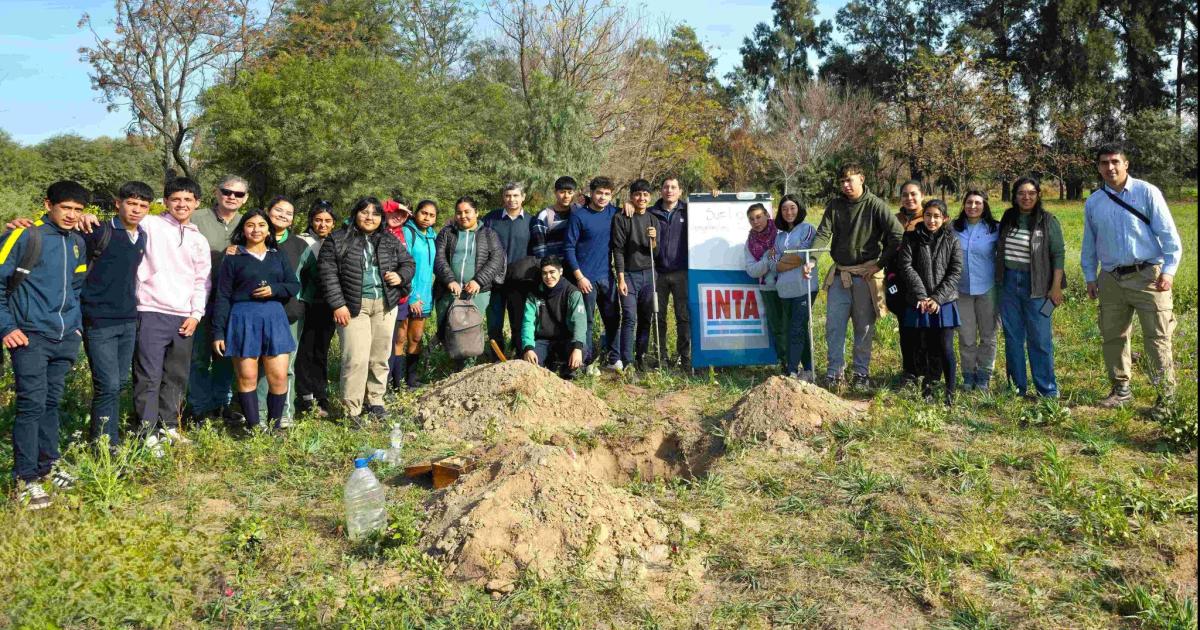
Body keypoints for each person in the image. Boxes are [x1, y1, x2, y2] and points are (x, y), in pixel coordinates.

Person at [0, 181, 90, 509]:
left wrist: (75, 328)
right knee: (32, 405)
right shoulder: (25, 236)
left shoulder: (77, 242)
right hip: (30, 336)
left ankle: (48, 465)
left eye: (78, 210)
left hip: (64, 337)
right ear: (48, 204)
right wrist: (7, 327)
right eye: (65, 208)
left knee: (51, 404)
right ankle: (26, 479)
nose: (71, 215)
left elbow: (76, 288)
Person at [1082, 142, 1182, 410]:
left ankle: (1166, 398)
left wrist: (1169, 272)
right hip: (1111, 278)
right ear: (1098, 167)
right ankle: (1121, 390)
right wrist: (1090, 276)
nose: (1110, 167)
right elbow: (1089, 244)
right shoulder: (1094, 202)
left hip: (1148, 276)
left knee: (1157, 337)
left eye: (1115, 161)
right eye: (1104, 163)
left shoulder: (1147, 192)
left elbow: (1169, 236)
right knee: (1113, 336)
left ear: (1126, 164)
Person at [805, 164, 904, 388]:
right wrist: (812, 259)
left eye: (849, 180)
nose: (845, 185)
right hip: (840, 275)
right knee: (834, 327)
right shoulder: (835, 205)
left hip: (865, 277)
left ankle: (861, 374)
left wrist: (879, 264)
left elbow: (897, 235)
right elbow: (823, 233)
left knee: (864, 327)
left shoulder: (876, 205)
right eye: (842, 182)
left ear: (861, 178)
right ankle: (834, 373)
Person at [133, 177, 211, 455]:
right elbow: (121, 223)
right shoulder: (149, 224)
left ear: (197, 203)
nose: (182, 204)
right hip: (150, 311)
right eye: (176, 199)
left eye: (188, 199)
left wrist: (196, 314)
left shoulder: (198, 239)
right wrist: (87, 219)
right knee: (149, 376)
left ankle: (169, 427)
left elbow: (202, 280)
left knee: (177, 375)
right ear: (165, 201)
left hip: (184, 317)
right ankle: (146, 432)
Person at [318, 197, 415, 420]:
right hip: (353, 306)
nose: (370, 217)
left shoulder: (388, 239)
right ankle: (352, 409)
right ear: (355, 214)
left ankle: (375, 401)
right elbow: (327, 273)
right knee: (355, 358)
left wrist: (400, 276)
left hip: (384, 305)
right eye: (364, 212)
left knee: (380, 356)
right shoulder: (338, 239)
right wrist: (338, 304)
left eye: (375, 214)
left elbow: (409, 263)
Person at [211, 209, 300, 431]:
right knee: (247, 376)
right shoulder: (233, 258)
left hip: (274, 318)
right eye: (250, 225)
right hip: (243, 319)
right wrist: (218, 332)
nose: (256, 229)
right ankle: (254, 428)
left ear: (268, 230)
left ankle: (275, 426)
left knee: (278, 376)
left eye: (261, 225)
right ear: (243, 229)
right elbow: (222, 296)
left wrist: (274, 289)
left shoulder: (277, 256)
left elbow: (293, 285)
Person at [80, 181, 150, 450]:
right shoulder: (98, 231)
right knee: (107, 385)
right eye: (131, 203)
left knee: (119, 383)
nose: (136, 210)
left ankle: (109, 439)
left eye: (143, 205)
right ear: (118, 203)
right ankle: (103, 445)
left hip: (128, 320)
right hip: (98, 320)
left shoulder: (141, 236)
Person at [188, 175, 249, 424]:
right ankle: (198, 406)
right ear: (217, 192)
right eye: (227, 191)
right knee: (198, 355)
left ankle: (221, 403)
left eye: (238, 194)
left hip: (233, 300)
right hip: (199, 297)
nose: (232, 197)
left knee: (225, 354)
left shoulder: (248, 222)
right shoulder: (196, 217)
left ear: (245, 198)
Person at [997, 177, 1065, 399]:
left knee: (1040, 339)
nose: (1026, 197)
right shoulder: (1008, 217)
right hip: (1009, 284)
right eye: (1021, 193)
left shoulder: (1047, 221)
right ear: (1015, 196)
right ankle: (1017, 388)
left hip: (1038, 286)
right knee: (1013, 338)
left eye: (1031, 193)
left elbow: (1058, 254)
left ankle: (1047, 390)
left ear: (1038, 195)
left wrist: (1056, 287)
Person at [897, 199, 963, 404]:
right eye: (928, 215)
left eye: (936, 216)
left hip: (944, 302)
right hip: (919, 301)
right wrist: (922, 295)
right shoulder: (910, 237)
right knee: (922, 345)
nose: (931, 220)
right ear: (922, 216)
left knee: (944, 347)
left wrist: (937, 298)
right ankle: (928, 387)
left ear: (945, 218)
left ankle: (950, 391)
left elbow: (955, 271)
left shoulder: (952, 240)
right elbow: (906, 266)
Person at [249, 197, 305, 427]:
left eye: (288, 213)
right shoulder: (253, 239)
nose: (283, 215)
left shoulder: (300, 245)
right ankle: (260, 414)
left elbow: (309, 278)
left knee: (285, 367)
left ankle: (284, 413)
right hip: (255, 313)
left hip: (288, 314)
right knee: (259, 365)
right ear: (267, 211)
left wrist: (300, 303)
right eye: (278, 210)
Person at [433, 196, 505, 364]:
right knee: (447, 329)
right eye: (459, 212)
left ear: (476, 213)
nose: (463, 216)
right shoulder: (447, 233)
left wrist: (478, 281)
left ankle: (468, 368)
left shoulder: (488, 234)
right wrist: (450, 280)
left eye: (467, 212)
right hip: (449, 291)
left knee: (469, 332)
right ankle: (451, 367)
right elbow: (439, 258)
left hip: (477, 293)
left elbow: (497, 259)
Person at [564, 176, 622, 369]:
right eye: (599, 193)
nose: (602, 197)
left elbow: (633, 210)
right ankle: (586, 362)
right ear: (591, 193)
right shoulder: (579, 216)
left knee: (613, 318)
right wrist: (579, 277)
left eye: (607, 194)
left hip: (607, 277)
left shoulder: (614, 213)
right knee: (586, 322)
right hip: (585, 279)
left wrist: (629, 204)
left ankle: (614, 358)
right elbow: (569, 248)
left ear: (611, 195)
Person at [952, 190, 1001, 391]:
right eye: (969, 202)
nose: (973, 206)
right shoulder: (953, 228)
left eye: (978, 203)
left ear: (984, 205)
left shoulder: (995, 228)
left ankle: (984, 375)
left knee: (988, 335)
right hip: (961, 289)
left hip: (988, 289)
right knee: (966, 336)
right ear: (963, 204)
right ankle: (968, 374)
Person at [294, 200, 338, 417]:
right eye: (318, 220)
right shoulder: (301, 241)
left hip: (329, 304)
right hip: (306, 302)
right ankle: (304, 395)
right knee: (305, 350)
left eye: (328, 221)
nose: (323, 225)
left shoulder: (336, 241)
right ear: (311, 220)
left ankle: (321, 393)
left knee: (321, 350)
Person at [772, 195, 820, 381]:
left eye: (792, 207)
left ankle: (791, 371)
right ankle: (808, 369)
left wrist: (781, 261)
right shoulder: (779, 236)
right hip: (785, 290)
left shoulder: (807, 229)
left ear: (799, 208)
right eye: (784, 209)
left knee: (797, 327)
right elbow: (771, 261)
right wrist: (780, 262)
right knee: (798, 328)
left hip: (804, 287)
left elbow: (801, 256)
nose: (788, 212)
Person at [611, 179, 658, 370]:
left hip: (649, 274)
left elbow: (655, 251)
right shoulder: (621, 217)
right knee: (630, 317)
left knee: (646, 317)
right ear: (631, 197)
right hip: (629, 275)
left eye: (645, 195)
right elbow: (618, 250)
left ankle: (641, 356)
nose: (642, 198)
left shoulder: (653, 219)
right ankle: (627, 361)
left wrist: (653, 239)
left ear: (650, 197)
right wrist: (621, 278)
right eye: (638, 194)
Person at [482, 183, 532, 359]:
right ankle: (496, 359)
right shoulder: (490, 219)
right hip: (494, 281)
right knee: (494, 324)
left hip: (520, 282)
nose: (512, 199)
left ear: (523, 197)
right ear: (503, 197)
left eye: (516, 195)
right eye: (508, 195)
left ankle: (519, 359)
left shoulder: (531, 221)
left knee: (518, 323)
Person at [521, 255, 588, 378]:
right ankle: (550, 365)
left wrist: (577, 348)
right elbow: (528, 322)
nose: (548, 277)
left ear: (560, 271)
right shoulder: (534, 294)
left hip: (566, 339)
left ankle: (568, 371)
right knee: (530, 365)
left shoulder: (572, 292)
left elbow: (580, 322)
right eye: (544, 273)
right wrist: (528, 348)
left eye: (552, 272)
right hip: (543, 340)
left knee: (581, 350)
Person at [649, 176, 690, 367]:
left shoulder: (689, 211)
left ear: (680, 191)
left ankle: (684, 355)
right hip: (657, 272)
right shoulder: (651, 212)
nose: (669, 190)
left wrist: (715, 196)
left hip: (682, 272)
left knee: (683, 316)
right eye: (666, 187)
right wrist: (628, 204)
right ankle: (661, 356)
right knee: (658, 316)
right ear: (661, 190)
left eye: (674, 187)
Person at [887, 181, 924, 386]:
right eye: (905, 195)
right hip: (899, 282)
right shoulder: (895, 220)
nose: (909, 198)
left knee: (925, 330)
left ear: (922, 195)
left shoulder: (930, 216)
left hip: (925, 282)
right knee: (906, 328)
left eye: (913, 194)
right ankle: (909, 372)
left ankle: (927, 372)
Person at [398, 199, 438, 388]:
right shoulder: (407, 232)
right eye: (424, 213)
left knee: (416, 338)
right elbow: (402, 265)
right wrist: (412, 296)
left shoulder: (432, 236)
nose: (427, 218)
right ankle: (396, 381)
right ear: (415, 213)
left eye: (431, 215)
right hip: (407, 295)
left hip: (425, 297)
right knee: (400, 338)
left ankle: (411, 380)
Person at [744, 203, 784, 370]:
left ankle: (801, 363)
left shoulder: (781, 233)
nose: (756, 222)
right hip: (768, 289)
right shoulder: (750, 242)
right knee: (777, 327)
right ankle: (785, 363)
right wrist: (768, 258)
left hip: (789, 286)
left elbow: (788, 257)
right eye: (751, 219)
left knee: (793, 325)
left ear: (767, 215)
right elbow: (752, 271)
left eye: (759, 217)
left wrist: (770, 261)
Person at [381, 197, 413, 387]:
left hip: (400, 297)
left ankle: (391, 384)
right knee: (381, 344)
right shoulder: (378, 228)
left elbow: (409, 265)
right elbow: (375, 207)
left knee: (393, 342)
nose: (398, 216)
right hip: (380, 297)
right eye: (395, 212)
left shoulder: (404, 234)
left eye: (404, 215)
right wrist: (396, 206)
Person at [531, 176, 577, 259]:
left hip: (575, 264)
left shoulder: (578, 212)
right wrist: (545, 263)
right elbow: (539, 247)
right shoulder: (544, 215)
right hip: (553, 264)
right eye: (562, 192)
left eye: (570, 193)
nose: (566, 196)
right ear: (555, 192)